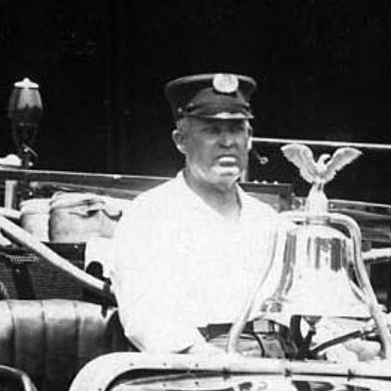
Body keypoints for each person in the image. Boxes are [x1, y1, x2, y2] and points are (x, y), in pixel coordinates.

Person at [107, 72, 286, 354]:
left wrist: (339, 346)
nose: (228, 142)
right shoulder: (150, 215)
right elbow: (144, 314)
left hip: (276, 360)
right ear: (181, 140)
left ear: (249, 138)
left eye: (237, 129)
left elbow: (300, 303)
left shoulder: (269, 220)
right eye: (212, 130)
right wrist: (202, 356)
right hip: (189, 368)